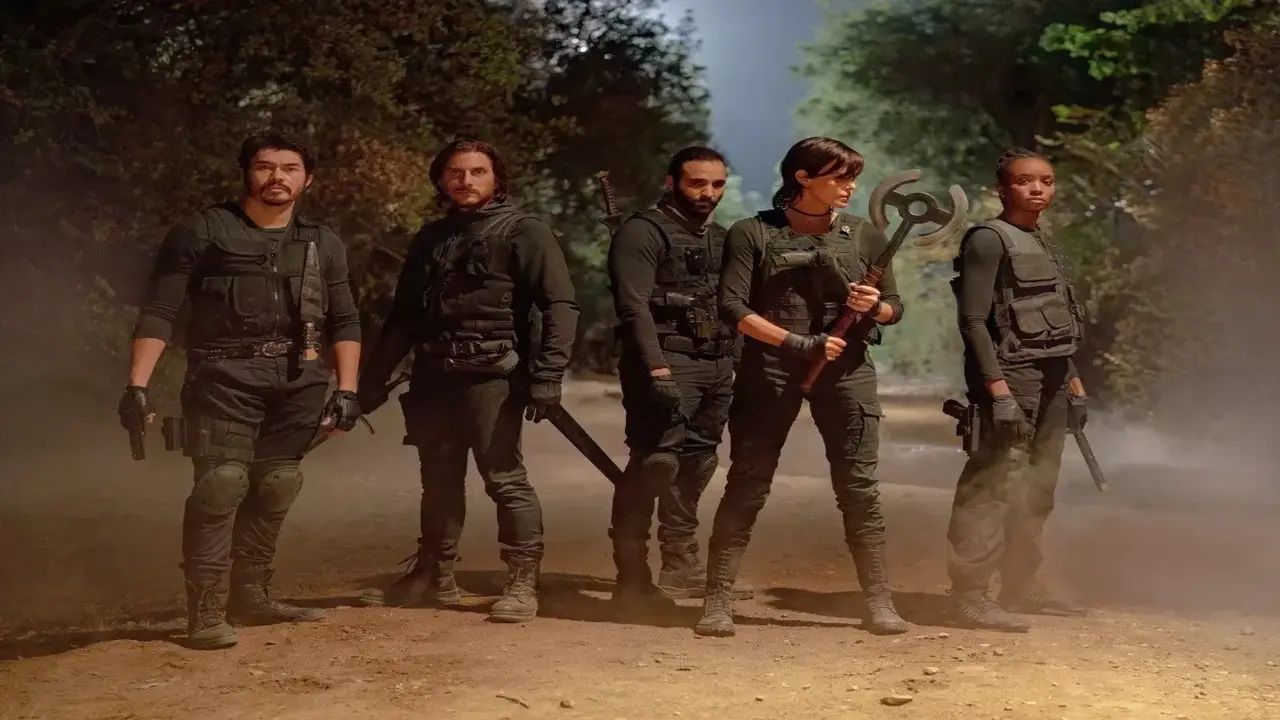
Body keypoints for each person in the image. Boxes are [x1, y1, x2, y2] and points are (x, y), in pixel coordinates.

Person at [118, 133, 364, 650]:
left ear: (307, 179)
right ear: (246, 173)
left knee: (277, 483)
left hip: (299, 379)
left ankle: (251, 595)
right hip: (222, 375)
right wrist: (137, 384)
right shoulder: (203, 231)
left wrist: (348, 389)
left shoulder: (322, 241)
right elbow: (160, 310)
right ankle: (205, 612)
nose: (277, 177)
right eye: (265, 166)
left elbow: (344, 318)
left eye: (290, 168)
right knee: (221, 483)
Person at [355, 139, 579, 624]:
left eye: (478, 172)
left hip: (493, 376)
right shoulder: (431, 237)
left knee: (504, 478)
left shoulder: (526, 232)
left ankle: (522, 581)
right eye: (456, 173)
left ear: (497, 178)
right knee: (437, 478)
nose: (466, 181)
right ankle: (434, 577)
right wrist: (369, 383)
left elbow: (560, 306)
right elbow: (403, 318)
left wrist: (547, 374)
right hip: (433, 376)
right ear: (441, 180)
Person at [694, 137, 908, 638]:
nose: (849, 187)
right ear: (803, 178)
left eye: (853, 178)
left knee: (858, 487)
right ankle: (717, 600)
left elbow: (895, 308)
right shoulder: (753, 233)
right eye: (839, 177)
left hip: (847, 369)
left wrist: (874, 306)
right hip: (771, 368)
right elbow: (733, 307)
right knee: (748, 481)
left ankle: (879, 601)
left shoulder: (866, 235)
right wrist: (798, 343)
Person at [945, 147, 1090, 632]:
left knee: (1038, 486)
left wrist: (1073, 381)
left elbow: (1055, 319)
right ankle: (970, 596)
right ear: (1003, 189)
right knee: (993, 485)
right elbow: (973, 321)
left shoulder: (1041, 239)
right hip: (1011, 374)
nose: (1038, 189)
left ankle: (1020, 584)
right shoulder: (988, 240)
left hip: (1052, 377)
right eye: (1026, 181)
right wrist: (997, 390)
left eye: (1046, 181)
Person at [605, 146, 753, 611]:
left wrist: (737, 362)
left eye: (717, 184)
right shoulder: (642, 231)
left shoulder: (722, 237)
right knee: (655, 463)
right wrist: (656, 367)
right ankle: (632, 575)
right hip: (666, 359)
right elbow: (633, 306)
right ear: (671, 182)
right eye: (697, 183)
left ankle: (680, 563)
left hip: (715, 362)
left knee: (699, 462)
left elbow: (735, 305)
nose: (708, 193)